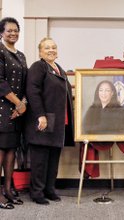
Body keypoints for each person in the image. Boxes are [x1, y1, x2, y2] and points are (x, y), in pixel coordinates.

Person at [25, 37, 74, 205]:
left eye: (54, 47)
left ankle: (49, 189)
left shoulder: (59, 69)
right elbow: (32, 91)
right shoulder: (38, 67)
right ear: (40, 52)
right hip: (44, 120)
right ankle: (37, 192)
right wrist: (40, 115)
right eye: (47, 48)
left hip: (59, 122)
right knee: (40, 159)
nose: (51, 50)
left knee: (53, 158)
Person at [0, 17, 27, 209]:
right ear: (1, 33)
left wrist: (22, 104)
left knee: (12, 151)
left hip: (17, 111)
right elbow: (0, 82)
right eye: (9, 30)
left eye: (16, 30)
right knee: (1, 151)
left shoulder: (22, 55)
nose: (13, 33)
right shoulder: (0, 51)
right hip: (2, 110)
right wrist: (18, 103)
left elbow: (26, 84)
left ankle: (8, 190)